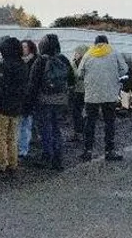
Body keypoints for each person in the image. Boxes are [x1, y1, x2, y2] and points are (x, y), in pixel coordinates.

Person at [76, 35, 128, 162]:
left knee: (90, 123)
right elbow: (124, 69)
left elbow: (79, 73)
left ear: (95, 43)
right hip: (109, 94)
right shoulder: (114, 52)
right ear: (106, 43)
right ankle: (109, 151)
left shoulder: (88, 54)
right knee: (109, 123)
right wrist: (114, 76)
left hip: (91, 95)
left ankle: (87, 151)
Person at [27, 34, 71, 170]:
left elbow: (33, 83)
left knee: (45, 129)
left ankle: (47, 156)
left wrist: (29, 102)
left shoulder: (40, 61)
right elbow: (71, 79)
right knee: (57, 129)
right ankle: (58, 159)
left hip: (44, 101)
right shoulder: (63, 59)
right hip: (60, 100)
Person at [0, 36, 28, 172]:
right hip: (16, 106)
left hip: (2, 106)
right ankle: (13, 162)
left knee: (0, 137)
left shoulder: (5, 66)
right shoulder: (23, 65)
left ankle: (1, 163)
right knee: (12, 137)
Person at [17, 39, 38, 157]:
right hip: (21, 97)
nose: (22, 49)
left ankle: (23, 149)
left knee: (26, 124)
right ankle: (22, 147)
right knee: (23, 124)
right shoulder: (20, 62)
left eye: (25, 47)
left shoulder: (35, 62)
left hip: (29, 98)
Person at [68, 45, 88, 143]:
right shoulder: (73, 63)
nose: (75, 54)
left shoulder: (87, 64)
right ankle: (77, 133)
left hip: (86, 91)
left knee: (84, 114)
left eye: (77, 53)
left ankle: (85, 133)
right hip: (76, 91)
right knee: (75, 113)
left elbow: (80, 75)